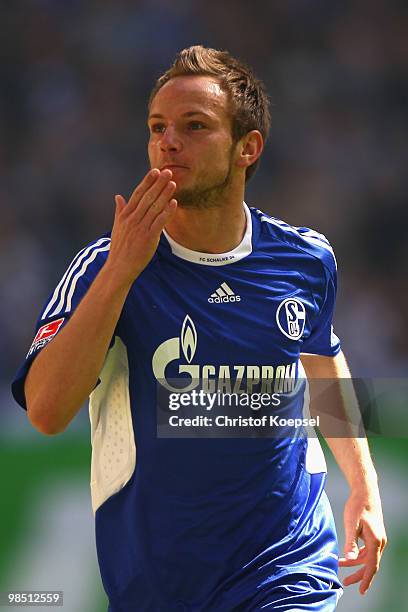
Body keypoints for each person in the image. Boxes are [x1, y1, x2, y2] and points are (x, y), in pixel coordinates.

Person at [12, 45, 386, 611]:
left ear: (247, 148)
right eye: (157, 126)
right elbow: (45, 411)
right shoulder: (103, 266)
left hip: (288, 566)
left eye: (195, 126)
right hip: (159, 586)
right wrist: (120, 273)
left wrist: (364, 481)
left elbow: (323, 358)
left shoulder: (305, 259)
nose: (168, 141)